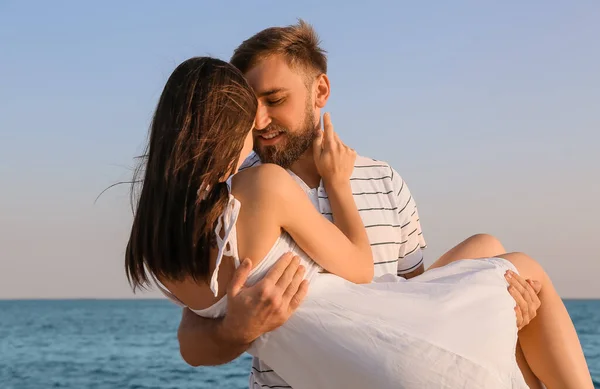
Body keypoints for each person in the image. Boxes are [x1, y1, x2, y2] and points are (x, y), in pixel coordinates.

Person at [125, 56, 593, 388]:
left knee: (486, 246)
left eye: (274, 101)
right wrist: (338, 184)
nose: (260, 125)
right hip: (392, 356)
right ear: (228, 128)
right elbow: (363, 268)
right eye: (250, 115)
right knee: (524, 265)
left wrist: (234, 327)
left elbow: (192, 335)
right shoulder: (262, 187)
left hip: (344, 370)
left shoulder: (158, 250)